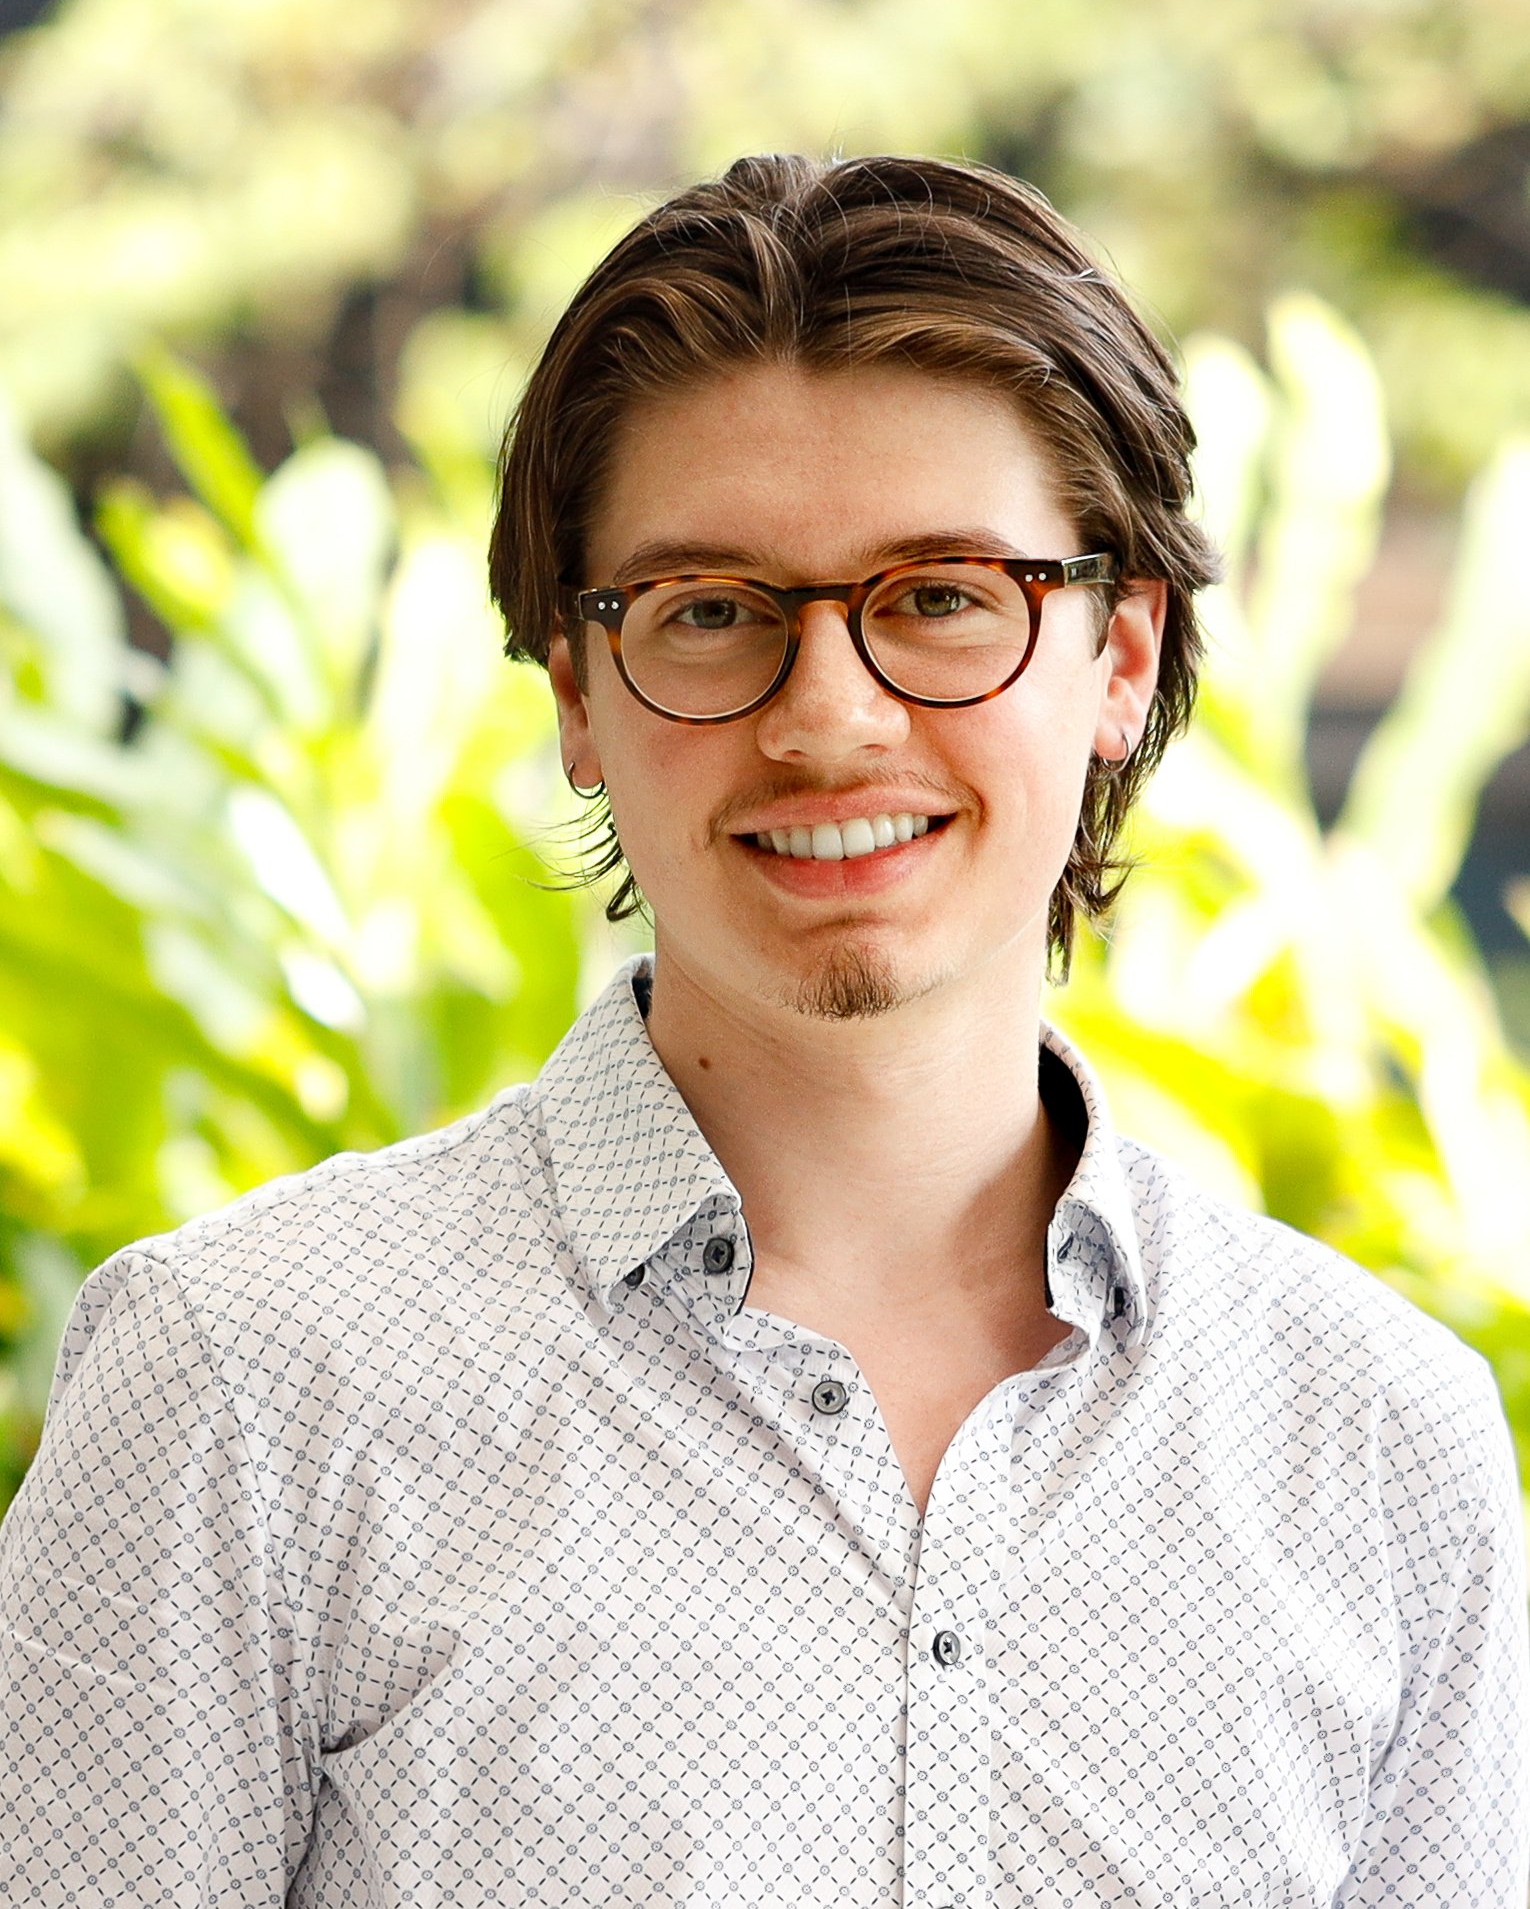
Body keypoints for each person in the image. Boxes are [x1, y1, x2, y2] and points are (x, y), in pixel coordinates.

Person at [1, 152, 1525, 1908]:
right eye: (709, 611)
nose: (826, 719)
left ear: (1119, 655)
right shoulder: (245, 1387)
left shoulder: (1374, 1433)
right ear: (577, 694)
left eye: (943, 595)